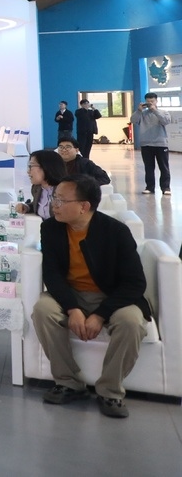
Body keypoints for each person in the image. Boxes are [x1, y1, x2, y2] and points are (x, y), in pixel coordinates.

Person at [31, 174, 149, 418]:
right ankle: (68, 382)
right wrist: (72, 308)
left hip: (111, 297)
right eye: (54, 198)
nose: (54, 205)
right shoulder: (51, 228)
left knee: (131, 322)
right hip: (71, 294)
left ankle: (110, 391)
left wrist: (100, 314)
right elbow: (52, 274)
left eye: (61, 200)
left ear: (84, 206)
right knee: (43, 310)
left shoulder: (115, 231)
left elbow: (135, 283)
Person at [131, 93, 170, 195]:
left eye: (152, 101)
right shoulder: (142, 113)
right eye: (148, 101)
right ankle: (149, 187)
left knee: (164, 167)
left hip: (161, 144)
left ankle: (166, 188)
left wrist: (155, 110)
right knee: (148, 168)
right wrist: (139, 110)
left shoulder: (163, 112)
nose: (150, 103)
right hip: (146, 144)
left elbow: (166, 121)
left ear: (156, 101)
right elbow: (133, 120)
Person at [17, 149, 66, 218]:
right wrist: (27, 207)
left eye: (31, 166)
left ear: (46, 167)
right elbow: (38, 205)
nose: (28, 171)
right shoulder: (37, 188)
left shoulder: (65, 191)